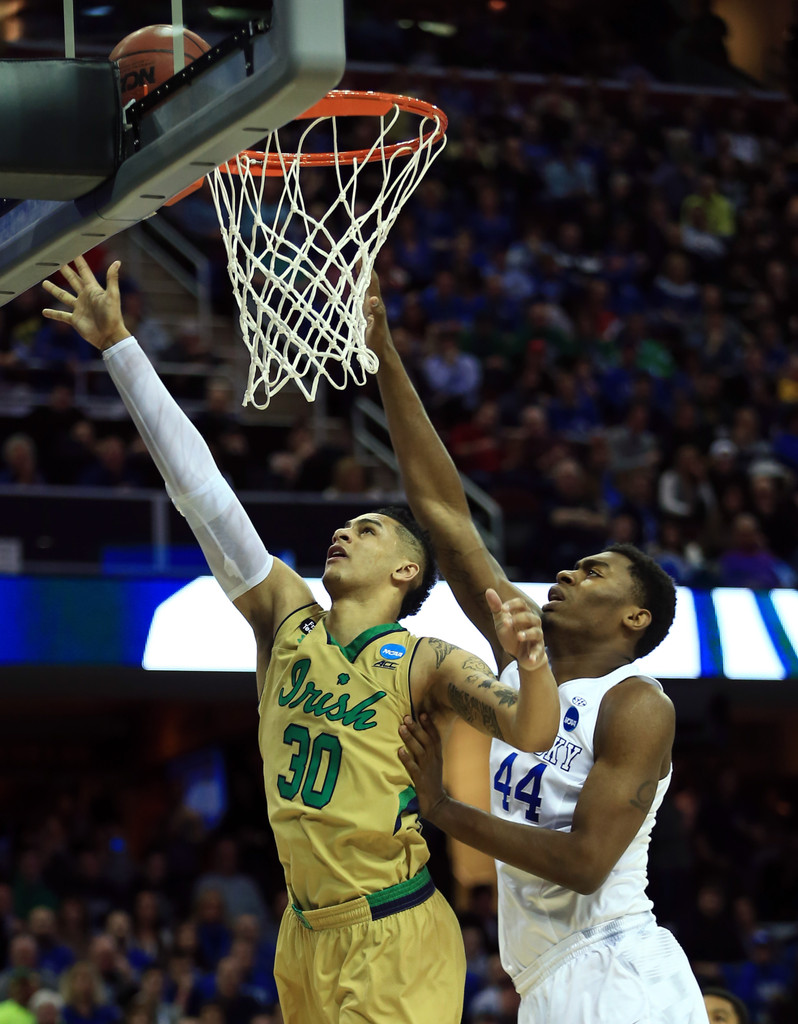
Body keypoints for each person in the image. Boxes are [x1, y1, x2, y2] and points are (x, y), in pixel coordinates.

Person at [41, 257, 559, 1024]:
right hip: (304, 936)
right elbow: (204, 498)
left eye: (370, 527)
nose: (345, 530)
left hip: (395, 930)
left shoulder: (426, 662)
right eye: (346, 524)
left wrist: (534, 662)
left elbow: (531, 728)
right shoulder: (287, 617)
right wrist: (121, 344)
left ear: (408, 570)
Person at [364, 273, 708, 1023]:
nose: (565, 573)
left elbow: (586, 867)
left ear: (634, 620)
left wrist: (444, 810)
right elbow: (444, 516)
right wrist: (385, 353)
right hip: (547, 980)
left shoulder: (637, 704)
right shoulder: (525, 661)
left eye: (593, 574)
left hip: (617, 967)